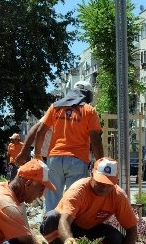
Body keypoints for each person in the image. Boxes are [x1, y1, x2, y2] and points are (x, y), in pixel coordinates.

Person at [39, 157, 138, 244]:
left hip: (92, 230)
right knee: (51, 218)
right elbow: (64, 221)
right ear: (91, 174)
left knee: (116, 239)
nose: (104, 188)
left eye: (108, 184)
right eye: (100, 182)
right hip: (70, 228)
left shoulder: (118, 196)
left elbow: (132, 229)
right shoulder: (78, 190)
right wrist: (68, 240)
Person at [16, 81, 104, 211]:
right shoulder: (89, 111)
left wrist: (38, 155)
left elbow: (40, 131)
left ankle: (49, 228)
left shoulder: (55, 107)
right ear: (88, 95)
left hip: (54, 160)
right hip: (77, 160)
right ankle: (70, 229)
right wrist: (100, 163)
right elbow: (95, 139)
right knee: (74, 198)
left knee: (51, 199)